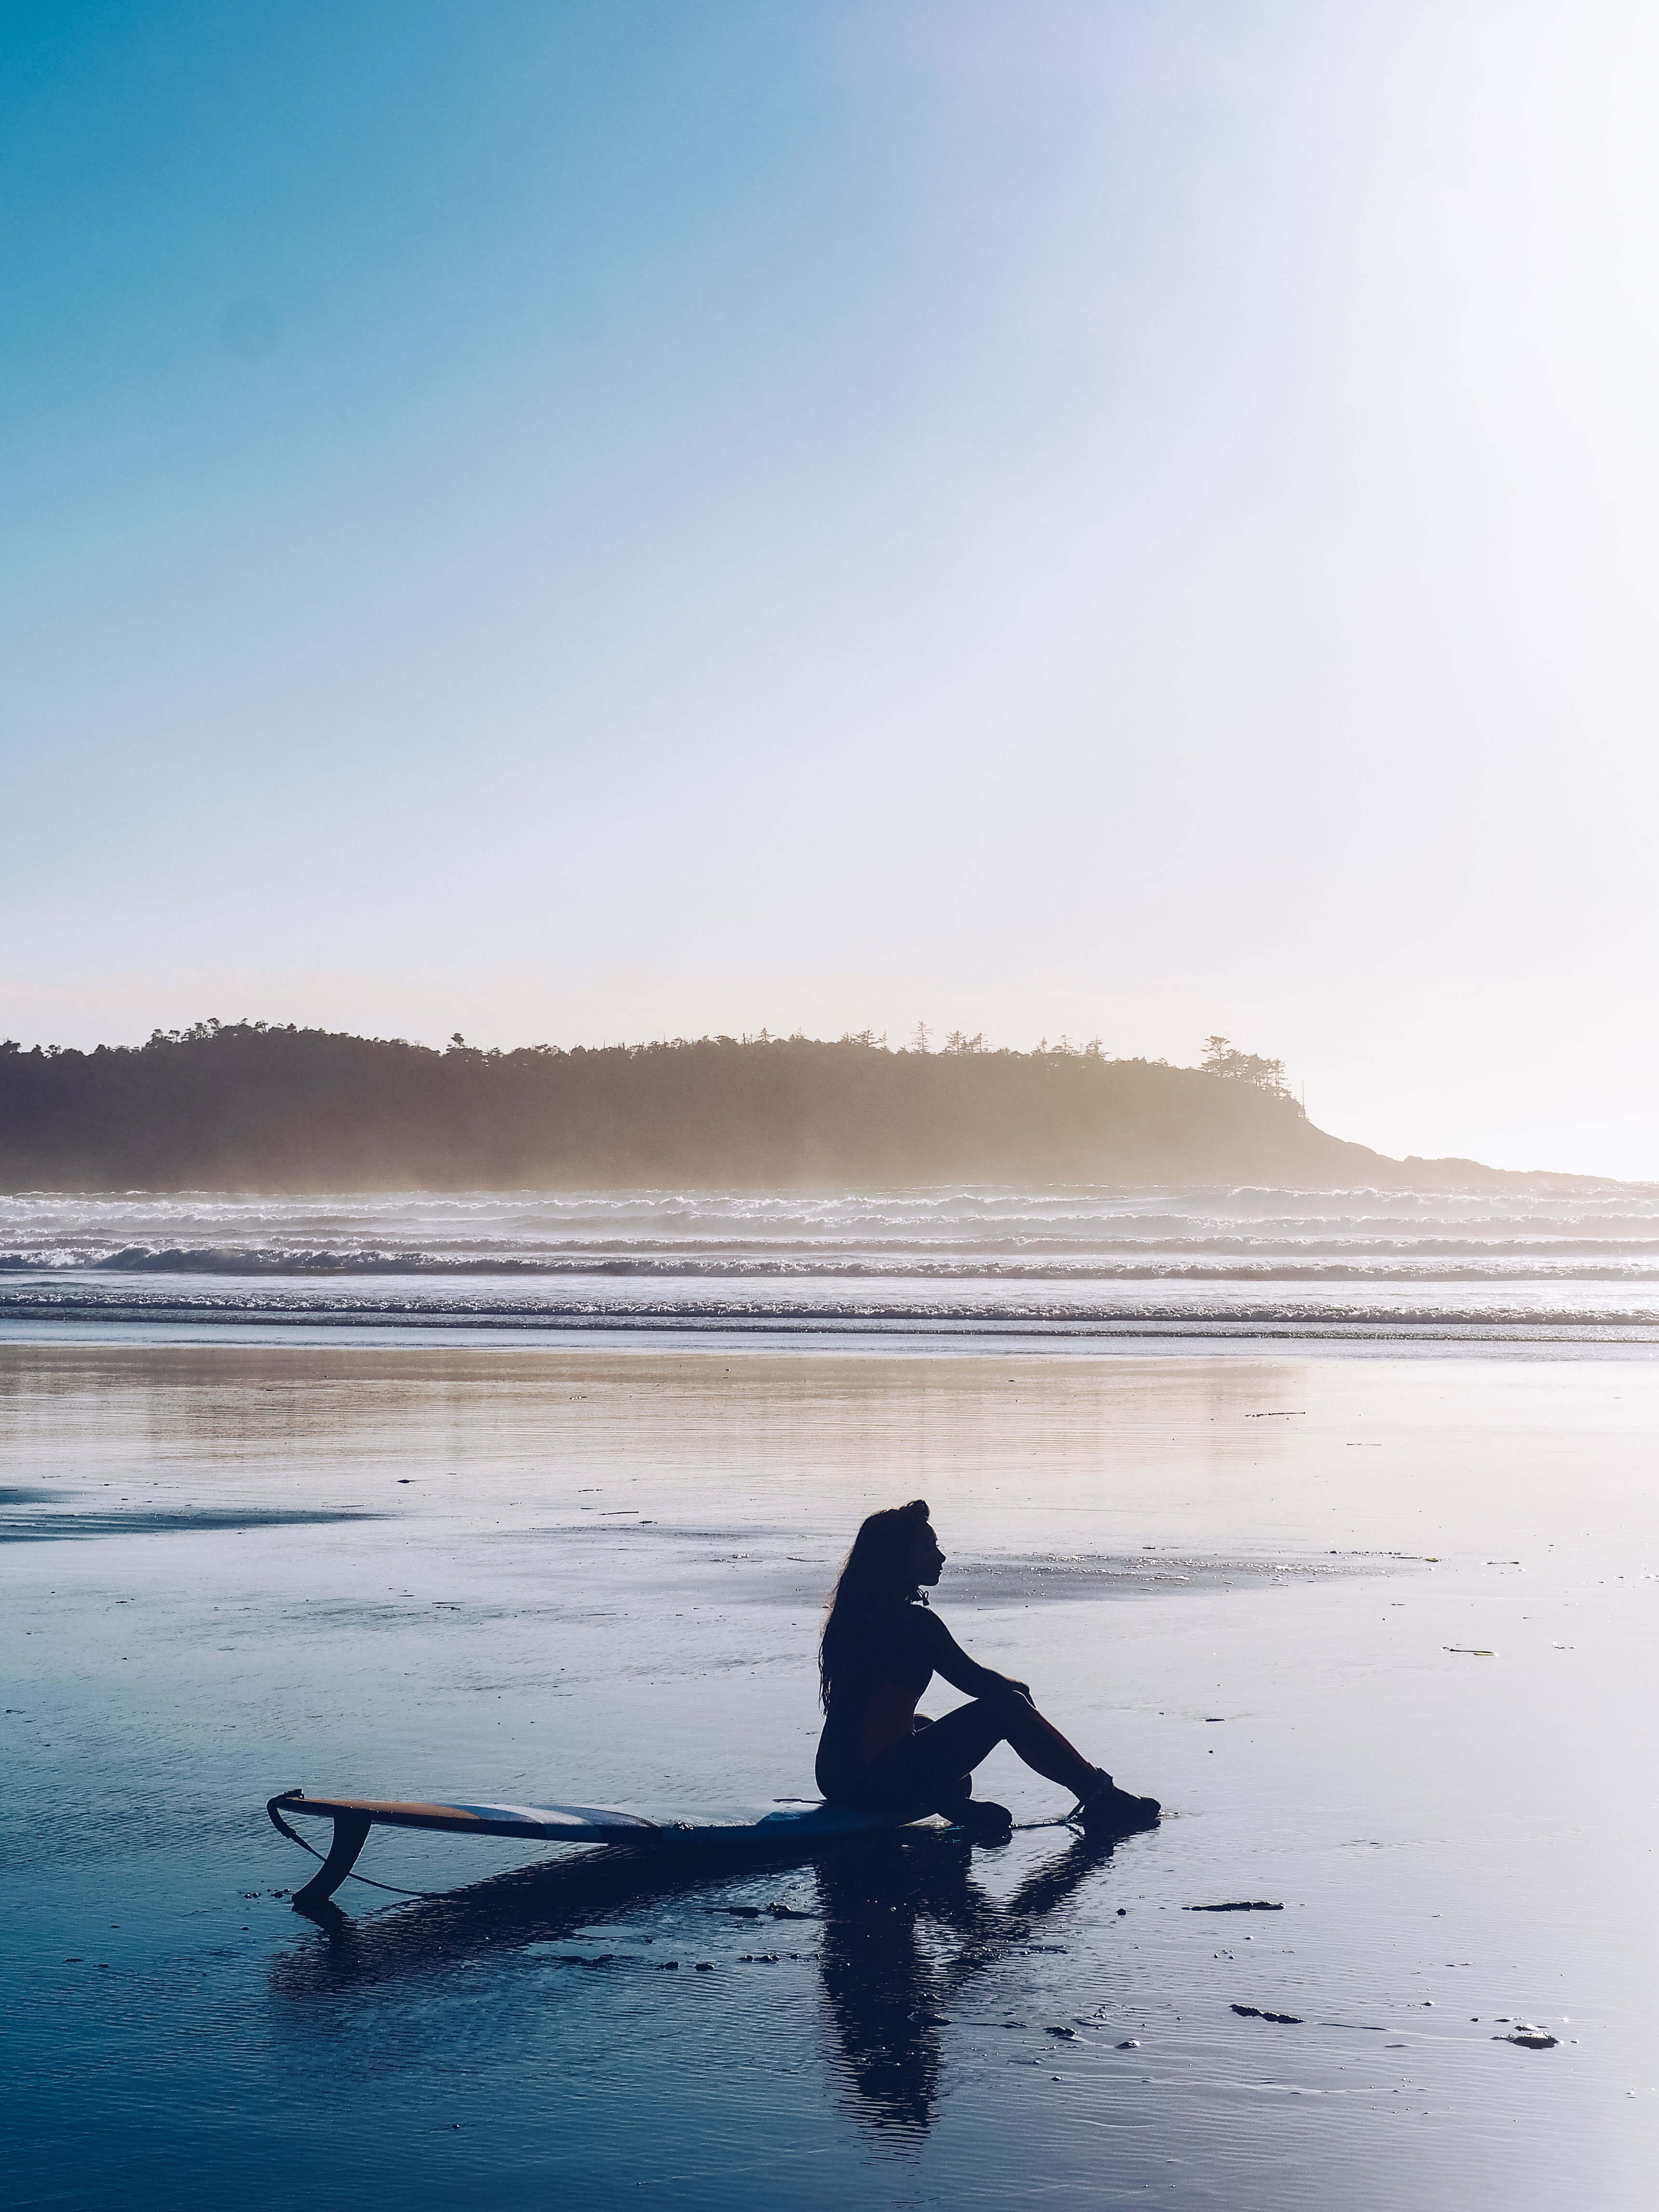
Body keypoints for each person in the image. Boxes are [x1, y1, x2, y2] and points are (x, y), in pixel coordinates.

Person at [815, 1498, 1160, 1842]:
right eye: (927, 1549)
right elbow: (976, 1681)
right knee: (1006, 1706)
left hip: (835, 1776)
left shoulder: (855, 1617)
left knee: (927, 1728)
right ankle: (1100, 1796)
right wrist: (1019, 1693)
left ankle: (958, 1807)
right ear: (897, 1560)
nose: (940, 1557)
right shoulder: (913, 1624)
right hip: (873, 1781)